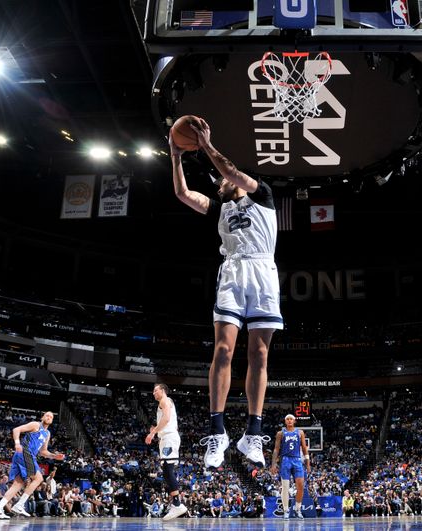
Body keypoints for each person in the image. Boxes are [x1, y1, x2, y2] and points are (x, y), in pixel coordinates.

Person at [170, 118, 282, 469]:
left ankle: (253, 434)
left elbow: (231, 171)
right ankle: (218, 431)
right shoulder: (220, 210)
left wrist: (205, 146)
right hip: (233, 271)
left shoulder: (262, 195)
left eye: (222, 179)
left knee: (259, 354)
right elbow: (182, 195)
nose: (219, 182)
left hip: (263, 271)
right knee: (223, 349)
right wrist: (175, 157)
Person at [0, 412, 65, 519]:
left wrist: (54, 456)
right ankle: (20, 505)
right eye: (47, 415)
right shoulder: (36, 425)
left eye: (51, 417)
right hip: (25, 452)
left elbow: (43, 452)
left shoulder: (47, 434)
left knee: (18, 484)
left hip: (25, 455)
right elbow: (16, 430)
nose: (49, 417)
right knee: (39, 478)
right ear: (42, 417)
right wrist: (17, 443)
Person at [144, 383, 188, 520]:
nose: (153, 393)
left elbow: (167, 418)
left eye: (155, 390)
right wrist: (156, 430)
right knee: (166, 470)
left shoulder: (165, 400)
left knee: (168, 470)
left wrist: (153, 433)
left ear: (163, 391)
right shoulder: (165, 402)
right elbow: (165, 420)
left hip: (169, 438)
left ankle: (177, 504)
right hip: (166, 438)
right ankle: (176, 503)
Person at [270, 414, 310, 519]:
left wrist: (308, 462)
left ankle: (297, 509)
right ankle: (286, 510)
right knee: (285, 487)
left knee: (300, 486)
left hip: (297, 460)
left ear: (294, 421)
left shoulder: (300, 432)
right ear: (285, 421)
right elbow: (276, 449)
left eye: (291, 419)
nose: (289, 420)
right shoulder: (280, 433)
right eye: (287, 419)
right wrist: (273, 464)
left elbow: (305, 448)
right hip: (285, 460)